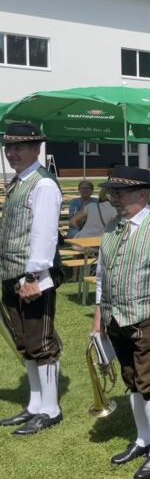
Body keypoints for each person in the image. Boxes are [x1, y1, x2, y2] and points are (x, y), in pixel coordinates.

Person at [90, 167, 150, 479]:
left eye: (122, 192)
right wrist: (98, 319)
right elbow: (103, 276)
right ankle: (143, 439)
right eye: (113, 192)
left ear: (144, 195)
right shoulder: (112, 228)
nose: (114, 198)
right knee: (131, 379)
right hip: (117, 317)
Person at [0, 123, 63, 436]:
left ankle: (51, 409)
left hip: (33, 277)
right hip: (12, 273)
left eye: (18, 147)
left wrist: (32, 277)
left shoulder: (44, 184)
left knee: (41, 343)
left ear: (36, 148)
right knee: (24, 342)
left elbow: (44, 233)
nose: (11, 153)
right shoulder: (19, 182)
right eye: (8, 147)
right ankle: (35, 405)